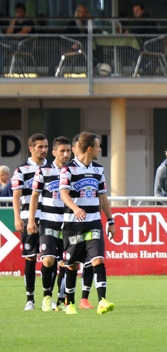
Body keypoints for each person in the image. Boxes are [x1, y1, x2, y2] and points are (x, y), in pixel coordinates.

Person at [59, 132, 115, 315]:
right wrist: (75, 208)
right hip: (72, 225)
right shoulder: (68, 169)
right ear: (90, 149)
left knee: (98, 260)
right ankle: (69, 303)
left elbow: (103, 197)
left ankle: (102, 301)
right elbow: (63, 193)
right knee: (72, 265)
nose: (100, 149)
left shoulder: (99, 170)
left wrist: (111, 220)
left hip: (93, 223)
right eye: (98, 146)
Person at [27, 136, 72, 312]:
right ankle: (47, 296)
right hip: (48, 221)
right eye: (62, 151)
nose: (66, 154)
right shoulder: (44, 171)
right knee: (47, 261)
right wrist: (31, 219)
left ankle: (61, 300)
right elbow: (35, 196)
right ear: (54, 153)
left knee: (65, 263)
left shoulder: (74, 172)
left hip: (68, 223)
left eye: (68, 150)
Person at [11, 133, 48, 311]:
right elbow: (16, 196)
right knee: (30, 258)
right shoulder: (21, 170)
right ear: (31, 148)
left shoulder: (54, 169)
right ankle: (30, 299)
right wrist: (18, 218)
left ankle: (49, 298)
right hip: (28, 218)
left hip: (50, 218)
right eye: (40, 147)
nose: (44, 150)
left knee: (51, 259)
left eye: (46, 147)